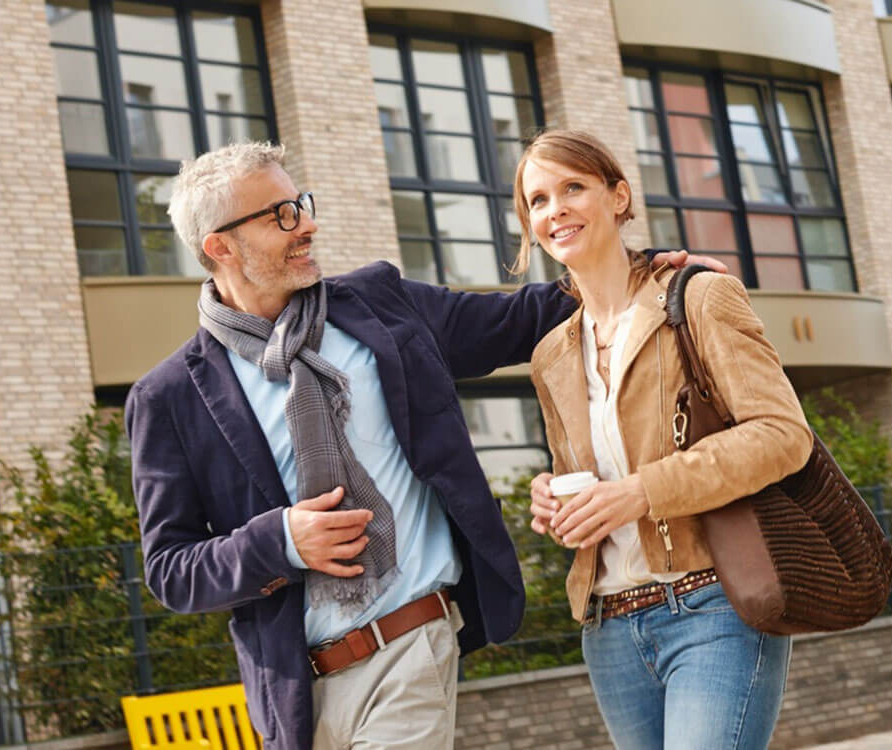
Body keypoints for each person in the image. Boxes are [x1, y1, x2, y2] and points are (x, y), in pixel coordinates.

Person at [125, 141, 718, 749]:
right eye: (280, 215)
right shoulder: (169, 398)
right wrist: (280, 541)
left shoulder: (380, 306)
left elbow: (514, 320)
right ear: (219, 247)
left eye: (299, 204)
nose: (307, 224)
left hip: (410, 645)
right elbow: (171, 569)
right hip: (291, 701)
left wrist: (644, 272)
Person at [520, 130, 814, 749]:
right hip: (609, 626)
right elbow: (586, 474)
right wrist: (550, 495)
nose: (556, 210)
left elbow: (783, 435)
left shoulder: (698, 298)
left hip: (712, 605)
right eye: (539, 200)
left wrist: (640, 492)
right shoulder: (551, 354)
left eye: (573, 187)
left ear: (618, 196)